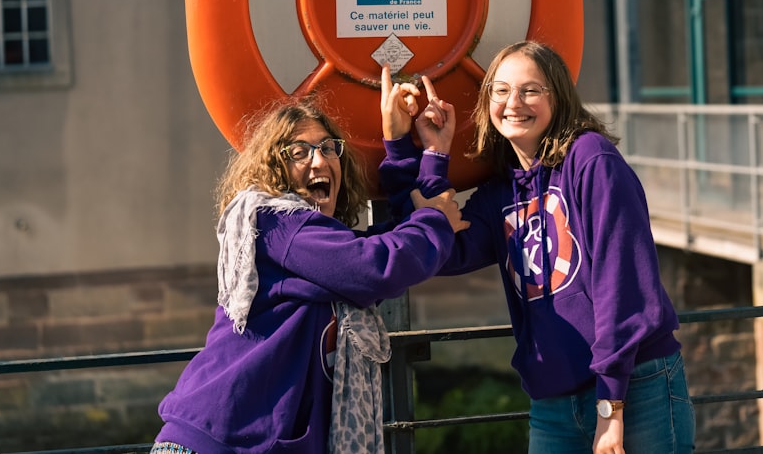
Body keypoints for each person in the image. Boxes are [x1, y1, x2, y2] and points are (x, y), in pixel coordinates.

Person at [380, 42, 695, 454]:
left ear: (558, 97)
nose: (514, 103)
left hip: (636, 387)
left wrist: (611, 408)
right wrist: (418, 150)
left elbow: (623, 289)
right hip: (553, 402)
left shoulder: (592, 160)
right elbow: (435, 244)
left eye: (531, 90)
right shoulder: (499, 194)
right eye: (501, 90)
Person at [152, 97, 467, 454]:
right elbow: (379, 265)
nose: (319, 160)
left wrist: (413, 150)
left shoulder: (319, 249)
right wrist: (435, 222)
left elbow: (398, 237)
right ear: (274, 167)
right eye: (298, 152)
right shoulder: (279, 225)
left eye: (328, 148)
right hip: (213, 443)